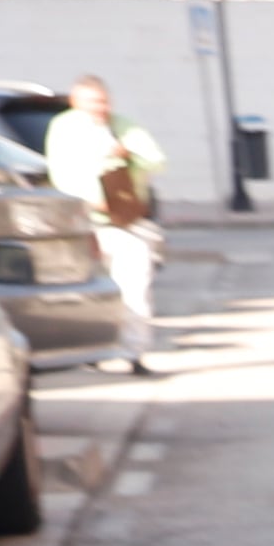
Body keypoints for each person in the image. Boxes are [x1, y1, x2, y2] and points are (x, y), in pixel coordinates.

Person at [44, 74, 171, 377]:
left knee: (135, 287)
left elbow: (156, 161)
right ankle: (91, 350)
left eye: (102, 101)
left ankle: (134, 352)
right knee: (89, 290)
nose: (98, 108)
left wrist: (130, 157)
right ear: (75, 103)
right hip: (85, 222)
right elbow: (60, 172)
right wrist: (89, 199)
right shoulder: (64, 129)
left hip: (126, 220)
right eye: (90, 102)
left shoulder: (123, 126)